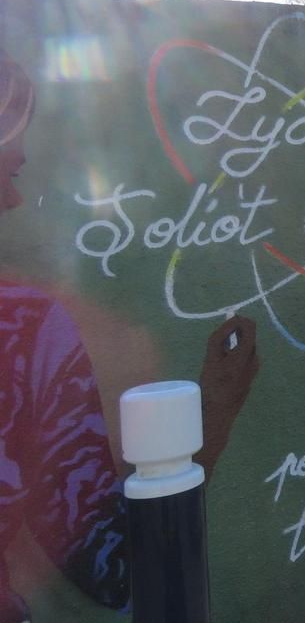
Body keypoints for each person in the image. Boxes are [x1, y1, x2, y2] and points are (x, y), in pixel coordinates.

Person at [0, 48, 259, 621]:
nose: (14, 199)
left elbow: (104, 558)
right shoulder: (26, 333)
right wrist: (212, 411)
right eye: (9, 171)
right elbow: (112, 563)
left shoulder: (29, 332)